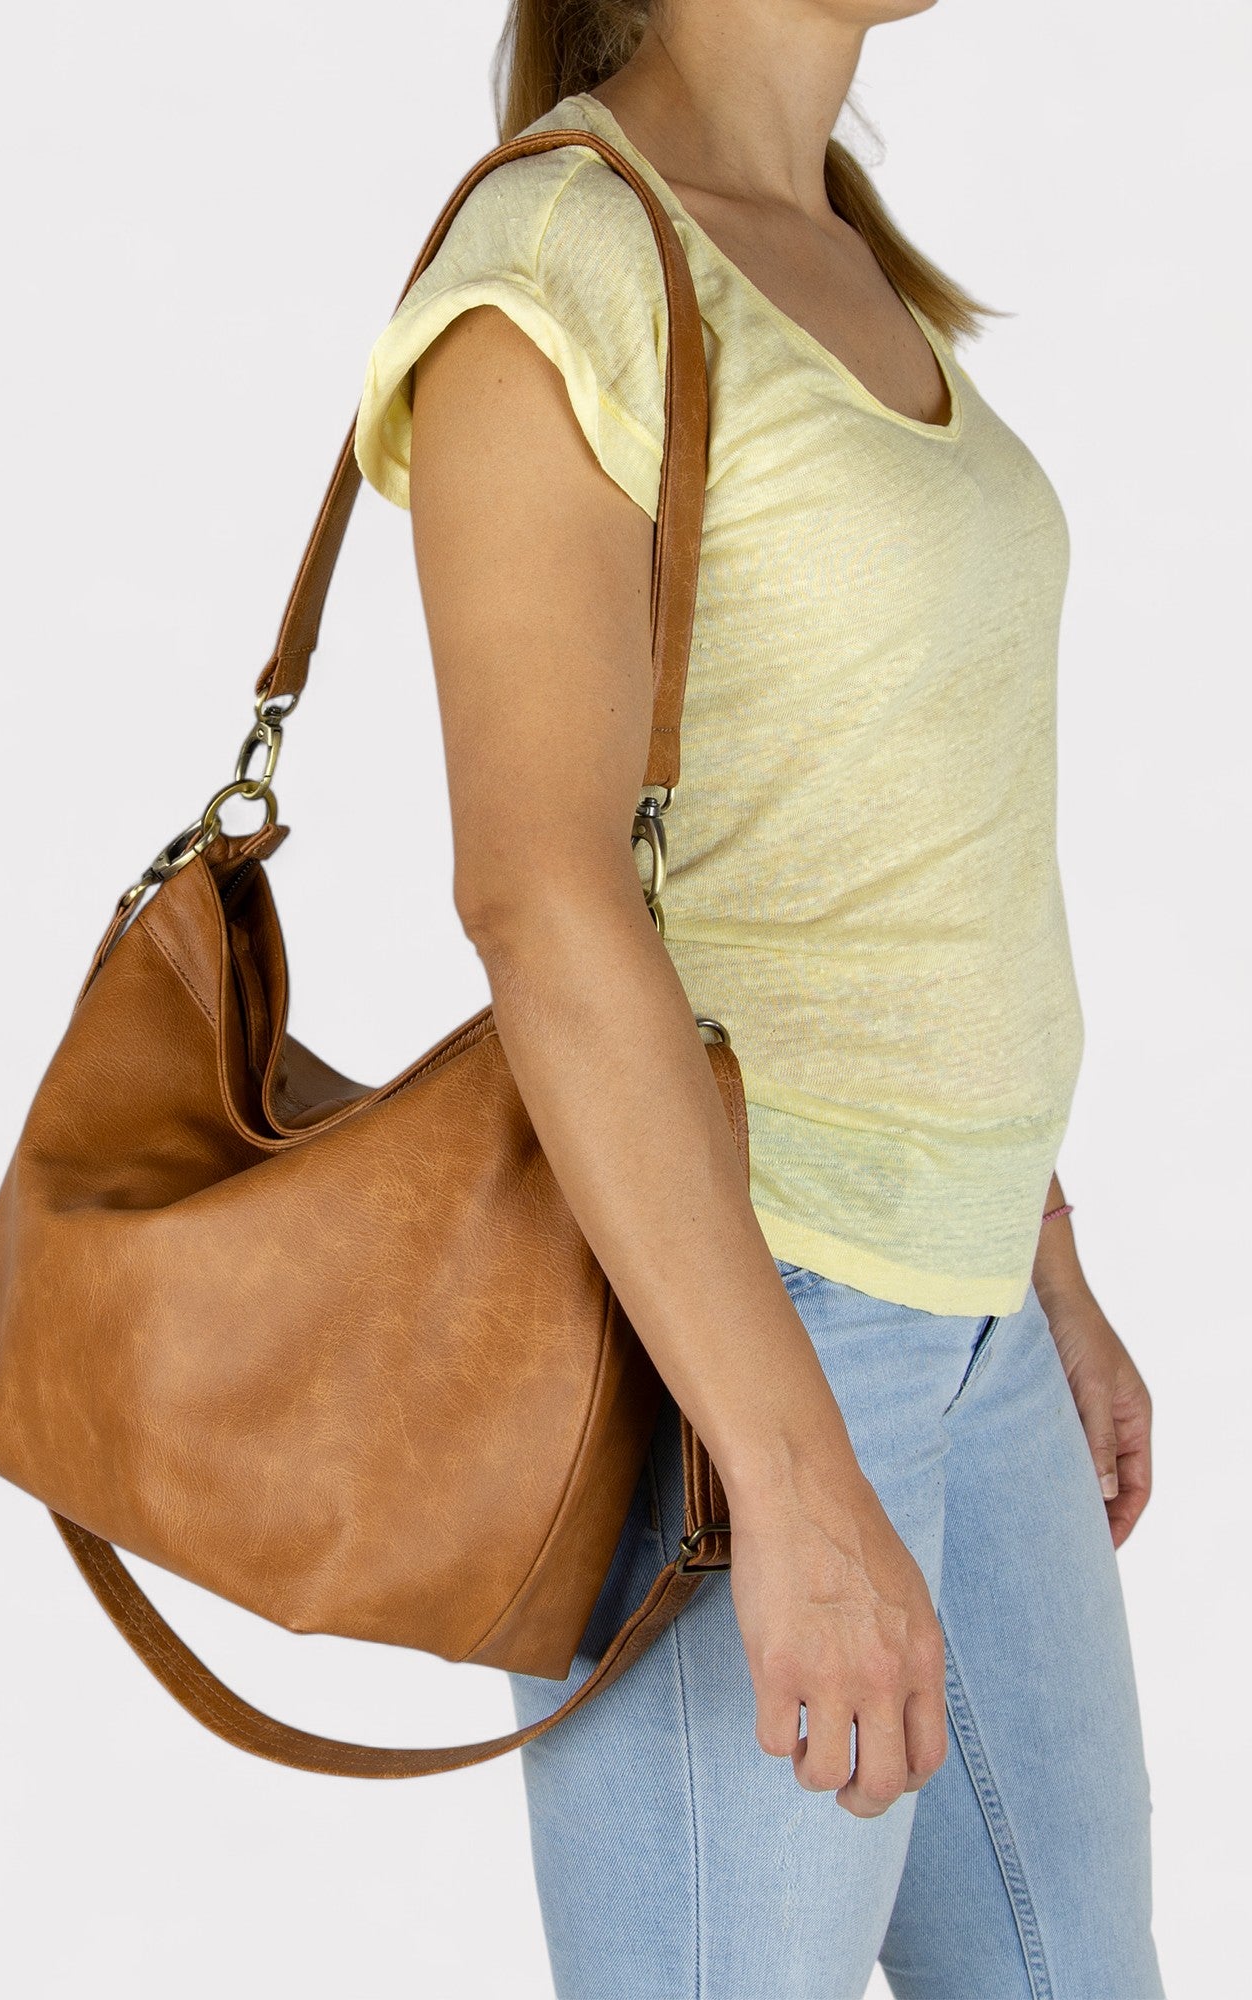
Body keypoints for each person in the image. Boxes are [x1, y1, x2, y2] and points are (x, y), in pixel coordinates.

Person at [349, 2, 1165, 1996]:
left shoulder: (836, 250)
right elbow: (538, 899)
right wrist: (788, 1480)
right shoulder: (561, 261)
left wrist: (1038, 1254)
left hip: (969, 1319)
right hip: (746, 1336)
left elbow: (894, 831)